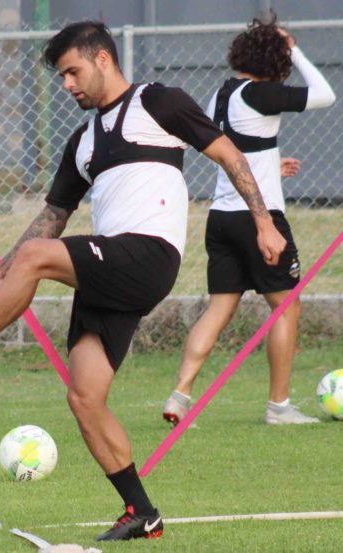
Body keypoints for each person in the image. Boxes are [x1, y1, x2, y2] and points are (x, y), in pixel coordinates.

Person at [0, 21, 286, 541]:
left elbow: (228, 154)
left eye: (73, 72)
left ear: (103, 59)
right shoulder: (82, 142)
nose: (67, 85)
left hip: (148, 255)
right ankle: (141, 512)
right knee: (84, 396)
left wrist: (263, 221)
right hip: (110, 271)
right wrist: (0, 272)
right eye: (61, 77)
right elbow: (52, 216)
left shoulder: (159, 102)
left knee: (36, 258)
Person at [162, 17, 336, 427]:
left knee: (219, 308)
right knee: (286, 308)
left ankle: (179, 394)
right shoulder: (261, 93)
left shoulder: (222, 95)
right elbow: (325, 95)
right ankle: (279, 407)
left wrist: (272, 164)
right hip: (260, 219)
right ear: (273, 60)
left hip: (221, 219)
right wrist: (295, 49)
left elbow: (235, 151)